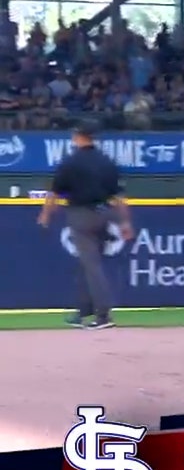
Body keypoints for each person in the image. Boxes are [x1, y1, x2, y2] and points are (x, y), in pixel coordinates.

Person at [38, 121, 134, 330]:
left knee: (92, 266)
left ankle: (103, 315)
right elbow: (119, 196)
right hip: (104, 214)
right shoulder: (106, 161)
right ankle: (83, 311)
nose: (73, 137)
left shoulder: (71, 162)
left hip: (81, 216)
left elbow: (54, 193)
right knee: (86, 263)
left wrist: (45, 216)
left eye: (75, 134)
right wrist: (125, 222)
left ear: (80, 136)